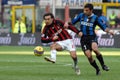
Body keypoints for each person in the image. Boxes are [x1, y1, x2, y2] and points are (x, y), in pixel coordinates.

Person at [67, 3, 114, 75]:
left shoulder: (96, 18)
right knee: (89, 56)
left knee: (95, 49)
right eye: (84, 10)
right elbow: (72, 24)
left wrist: (110, 31)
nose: (85, 12)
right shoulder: (81, 16)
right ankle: (97, 69)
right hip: (83, 39)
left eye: (87, 10)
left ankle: (103, 65)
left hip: (92, 37)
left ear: (91, 10)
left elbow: (104, 27)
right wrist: (70, 25)